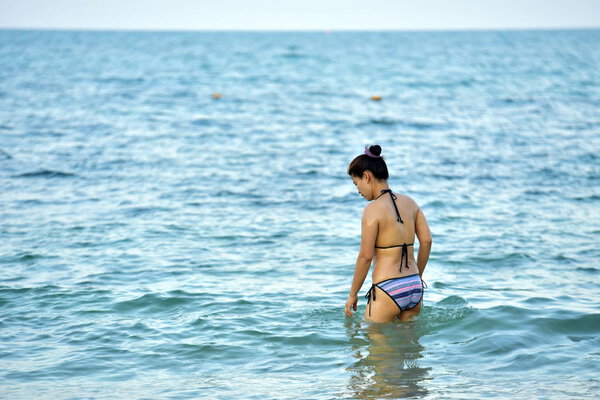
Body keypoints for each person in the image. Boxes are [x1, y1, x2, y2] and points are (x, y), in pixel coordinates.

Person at [344, 145, 432, 322]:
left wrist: (353, 294)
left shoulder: (372, 210)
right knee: (410, 346)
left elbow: (365, 257)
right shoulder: (411, 203)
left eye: (356, 183)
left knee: (375, 345)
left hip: (387, 289)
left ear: (366, 176)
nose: (358, 190)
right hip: (414, 286)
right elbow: (427, 241)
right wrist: (417, 277)